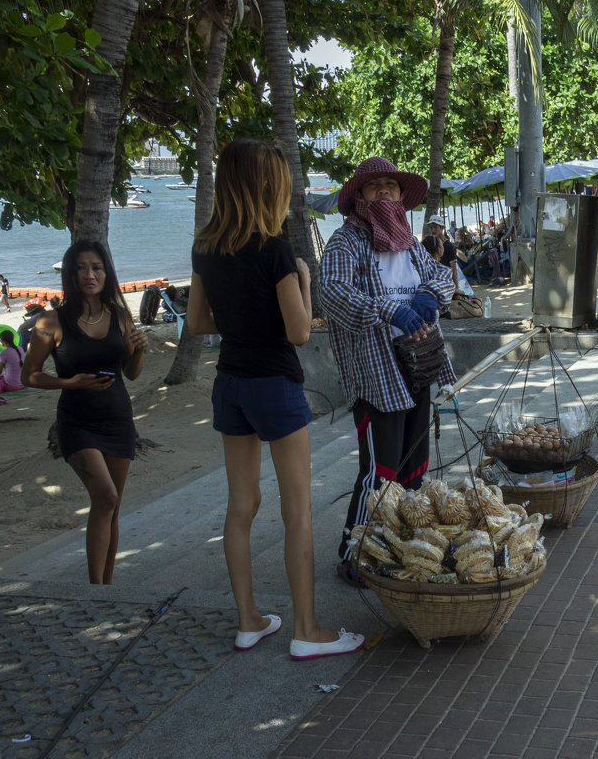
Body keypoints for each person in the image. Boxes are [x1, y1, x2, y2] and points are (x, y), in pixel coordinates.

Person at [187, 139, 364, 659]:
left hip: (231, 384)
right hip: (275, 386)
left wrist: (240, 325)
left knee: (240, 507)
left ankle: (249, 622)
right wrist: (305, 283)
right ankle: (306, 630)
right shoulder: (275, 249)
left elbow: (198, 323)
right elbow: (301, 332)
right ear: (266, 184)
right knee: (298, 511)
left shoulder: (205, 246)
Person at [320, 157, 455, 583]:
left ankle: (409, 549)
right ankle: (354, 552)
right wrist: (391, 309)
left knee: (415, 466)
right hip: (376, 373)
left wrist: (430, 296)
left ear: (400, 196)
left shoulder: (412, 244)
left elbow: (442, 277)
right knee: (380, 470)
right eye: (374, 186)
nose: (383, 192)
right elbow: (333, 294)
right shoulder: (347, 242)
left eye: (390, 186)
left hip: (418, 366)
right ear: (359, 197)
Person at [21, 240, 149, 584]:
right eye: (81, 267)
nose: (89, 274)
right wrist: (70, 383)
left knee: (112, 507)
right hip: (78, 423)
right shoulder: (51, 322)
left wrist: (138, 351)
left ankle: (107, 589)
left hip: (118, 420)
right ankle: (95, 590)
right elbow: (28, 375)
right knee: (105, 497)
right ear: (70, 273)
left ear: (107, 273)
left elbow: (131, 372)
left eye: (97, 267)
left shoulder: (120, 316)